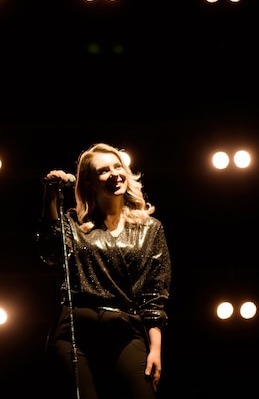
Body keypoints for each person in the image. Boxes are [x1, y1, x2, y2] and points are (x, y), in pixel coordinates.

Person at [36, 142, 172, 399]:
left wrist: (155, 348)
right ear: (89, 183)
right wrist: (50, 196)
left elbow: (155, 291)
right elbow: (49, 253)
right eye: (103, 171)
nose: (114, 174)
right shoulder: (74, 224)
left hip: (125, 327)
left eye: (117, 167)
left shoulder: (150, 228)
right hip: (76, 328)